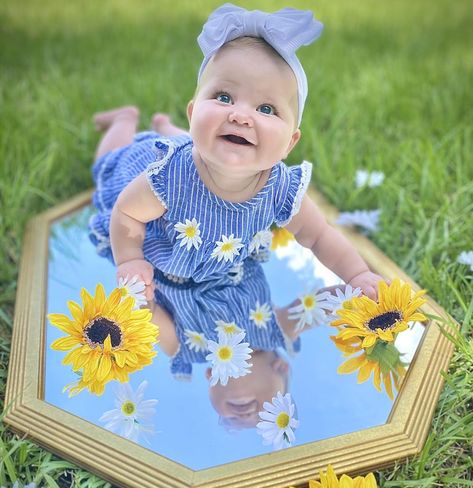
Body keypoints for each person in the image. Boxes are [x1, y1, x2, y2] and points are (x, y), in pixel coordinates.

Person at [88, 4, 384, 402]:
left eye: (266, 109)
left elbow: (318, 236)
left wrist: (357, 276)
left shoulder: (279, 189)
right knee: (109, 162)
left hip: (192, 232)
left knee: (215, 146)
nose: (241, 115)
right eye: (223, 96)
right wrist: (128, 258)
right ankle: (125, 123)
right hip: (153, 181)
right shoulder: (169, 178)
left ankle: (163, 125)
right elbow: (126, 209)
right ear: (195, 111)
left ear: (289, 143)